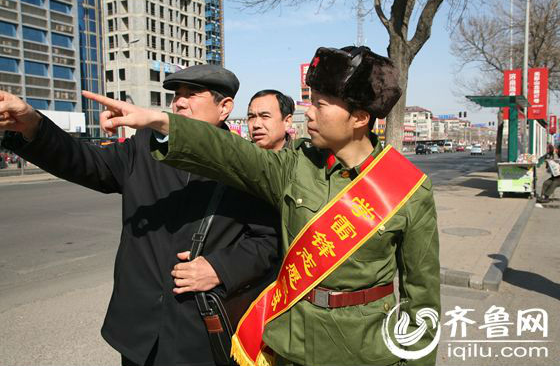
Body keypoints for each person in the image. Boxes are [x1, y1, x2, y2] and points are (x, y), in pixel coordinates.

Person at [81, 46, 440, 366]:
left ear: (360, 118)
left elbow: (421, 299)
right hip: (292, 342)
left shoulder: (408, 191)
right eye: (309, 100)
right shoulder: (294, 166)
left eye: (319, 104)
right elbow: (231, 153)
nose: (307, 113)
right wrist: (162, 122)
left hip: (365, 347)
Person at [0, 64, 280, 366]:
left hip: (199, 332)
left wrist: (219, 268)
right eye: (176, 95)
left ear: (224, 107)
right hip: (138, 333)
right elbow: (83, 160)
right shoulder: (144, 148)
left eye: (192, 94)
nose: (180, 102)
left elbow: (268, 241)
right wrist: (32, 125)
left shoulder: (247, 165)